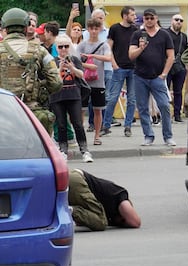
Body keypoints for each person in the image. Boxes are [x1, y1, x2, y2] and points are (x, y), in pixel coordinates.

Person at [0, 8, 62, 135]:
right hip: (31, 113)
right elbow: (56, 83)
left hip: (3, 112)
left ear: (5, 28)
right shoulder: (40, 51)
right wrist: (40, 87)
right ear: (25, 27)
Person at [128, 8, 176, 147]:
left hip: (157, 77)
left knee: (164, 105)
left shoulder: (164, 35)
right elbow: (131, 56)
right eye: (146, 18)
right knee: (143, 108)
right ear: (143, 19)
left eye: (151, 18)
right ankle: (148, 135)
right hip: (140, 76)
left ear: (156, 18)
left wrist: (164, 74)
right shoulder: (137, 34)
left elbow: (171, 56)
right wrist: (141, 48)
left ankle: (168, 136)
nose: (149, 21)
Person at [51, 35, 93, 163]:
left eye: (66, 46)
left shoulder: (74, 59)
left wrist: (71, 68)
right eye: (60, 46)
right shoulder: (52, 61)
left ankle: (85, 150)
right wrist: (60, 68)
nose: (63, 49)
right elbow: (52, 79)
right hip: (58, 96)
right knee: (61, 124)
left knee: (78, 124)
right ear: (56, 48)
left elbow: (81, 75)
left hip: (74, 95)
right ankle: (63, 150)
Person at [101, 6, 137, 138]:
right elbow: (108, 47)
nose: (134, 17)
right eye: (132, 15)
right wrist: (113, 63)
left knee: (132, 99)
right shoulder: (115, 28)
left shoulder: (135, 29)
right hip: (119, 67)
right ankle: (106, 125)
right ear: (125, 16)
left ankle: (128, 126)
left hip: (133, 68)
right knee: (112, 97)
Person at [69, 169, 141, 231]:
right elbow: (135, 222)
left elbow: (81, 222)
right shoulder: (121, 198)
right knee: (101, 222)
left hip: (70, 176)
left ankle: (66, 208)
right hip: (77, 180)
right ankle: (67, 209)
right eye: (122, 220)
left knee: (95, 219)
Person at [77, 18, 112, 146]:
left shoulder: (104, 45)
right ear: (88, 29)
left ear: (99, 29)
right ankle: (81, 136)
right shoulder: (82, 44)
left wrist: (93, 56)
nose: (93, 31)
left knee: (98, 110)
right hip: (84, 82)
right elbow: (75, 60)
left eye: (96, 29)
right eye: (91, 29)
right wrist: (87, 65)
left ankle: (97, 135)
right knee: (81, 110)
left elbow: (108, 58)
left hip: (98, 82)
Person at [165, 14, 188, 123]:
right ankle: (164, 114)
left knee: (178, 91)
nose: (179, 22)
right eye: (176, 19)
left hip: (180, 67)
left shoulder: (184, 36)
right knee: (165, 91)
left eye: (181, 20)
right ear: (171, 21)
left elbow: (186, 51)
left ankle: (177, 114)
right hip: (166, 66)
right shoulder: (164, 33)